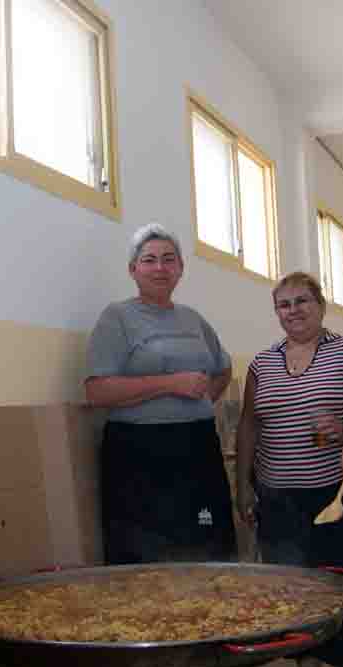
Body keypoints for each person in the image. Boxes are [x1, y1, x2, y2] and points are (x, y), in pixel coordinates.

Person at [235, 271, 343, 667]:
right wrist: (242, 483)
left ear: (321, 305)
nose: (293, 311)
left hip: (339, 491)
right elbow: (249, 426)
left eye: (302, 301)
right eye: (284, 304)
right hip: (278, 495)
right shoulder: (262, 363)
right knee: (293, 587)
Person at [85, 223, 237, 564]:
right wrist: (170, 385)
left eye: (169, 259)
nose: (159, 267)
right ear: (133, 269)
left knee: (208, 547)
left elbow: (222, 367)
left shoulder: (193, 320)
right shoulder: (117, 318)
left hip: (197, 447)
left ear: (180, 269)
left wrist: (202, 397)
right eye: (149, 259)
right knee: (145, 559)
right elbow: (96, 392)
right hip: (138, 455)